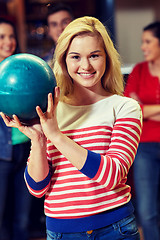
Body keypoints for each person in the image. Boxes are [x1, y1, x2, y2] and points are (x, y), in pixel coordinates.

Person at [1, 16, 142, 240]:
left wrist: (56, 135)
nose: (85, 66)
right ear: (64, 59)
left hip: (115, 229)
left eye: (94, 55)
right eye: (75, 57)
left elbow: (112, 175)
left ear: (106, 58)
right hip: (61, 232)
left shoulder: (125, 107)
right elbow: (37, 188)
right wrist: (38, 140)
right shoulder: (51, 110)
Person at [124, 21, 160, 240]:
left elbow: (141, 108)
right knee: (147, 212)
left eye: (148, 42)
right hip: (144, 147)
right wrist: (140, 109)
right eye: (142, 42)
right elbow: (132, 109)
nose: (143, 47)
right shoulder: (138, 70)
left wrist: (146, 109)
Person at [0, 18, 32, 240]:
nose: (8, 42)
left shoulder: (25, 69)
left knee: (22, 219)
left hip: (26, 150)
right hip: (1, 154)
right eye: (1, 37)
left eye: (11, 36)